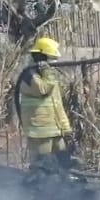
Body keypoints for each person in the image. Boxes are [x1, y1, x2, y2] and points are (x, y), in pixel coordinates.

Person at [16, 36, 74, 176]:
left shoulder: (47, 75)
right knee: (42, 166)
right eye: (50, 58)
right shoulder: (29, 75)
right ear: (41, 56)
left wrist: (65, 127)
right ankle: (38, 193)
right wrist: (47, 72)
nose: (53, 62)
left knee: (62, 161)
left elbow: (56, 105)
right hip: (40, 131)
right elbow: (43, 90)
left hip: (55, 129)